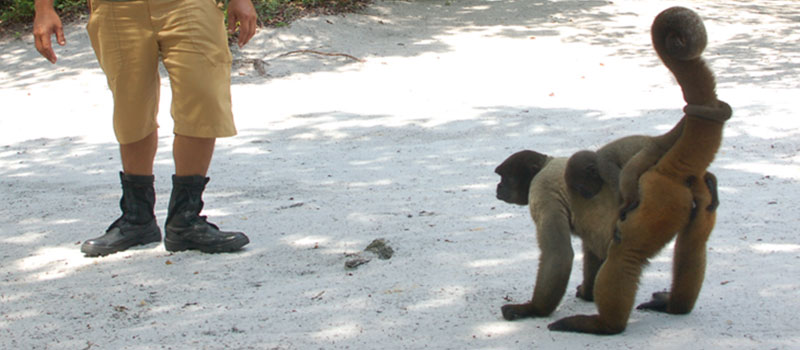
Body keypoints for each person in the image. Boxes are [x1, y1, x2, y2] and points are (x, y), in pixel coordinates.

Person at [32, 0, 258, 256]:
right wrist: (44, 10)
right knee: (131, 104)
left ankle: (185, 220)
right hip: (117, 8)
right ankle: (137, 219)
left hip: (189, 5)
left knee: (203, 95)